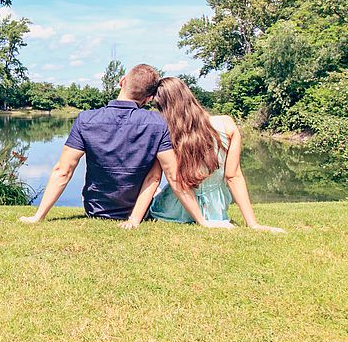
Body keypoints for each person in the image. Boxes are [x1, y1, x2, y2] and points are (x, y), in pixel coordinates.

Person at [19, 64, 227, 227]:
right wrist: (202, 221)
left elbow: (63, 172)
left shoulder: (86, 119)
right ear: (148, 99)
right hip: (138, 212)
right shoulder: (157, 124)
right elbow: (169, 176)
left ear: (122, 81)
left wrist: (38, 216)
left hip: (95, 210)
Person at [119, 76, 285, 233]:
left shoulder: (166, 133)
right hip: (214, 212)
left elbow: (155, 178)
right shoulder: (227, 124)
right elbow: (233, 177)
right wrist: (253, 224)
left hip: (172, 211)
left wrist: (134, 219)